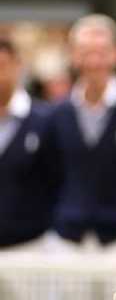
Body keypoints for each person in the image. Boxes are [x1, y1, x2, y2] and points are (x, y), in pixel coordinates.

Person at [43, 14, 116, 255]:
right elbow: (48, 176)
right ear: (73, 56)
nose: (94, 61)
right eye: (85, 51)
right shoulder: (57, 113)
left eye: (102, 51)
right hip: (66, 242)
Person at [0, 38, 57, 252]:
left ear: (18, 66)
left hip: (32, 246)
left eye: (3, 66)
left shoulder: (45, 119)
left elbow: (57, 179)